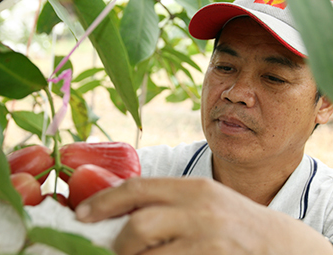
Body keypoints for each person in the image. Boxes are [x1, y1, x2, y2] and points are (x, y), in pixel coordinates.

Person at [76, 0, 333, 254]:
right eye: (225, 67)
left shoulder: (327, 209)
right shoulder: (138, 178)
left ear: (325, 104)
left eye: (273, 77)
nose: (236, 93)